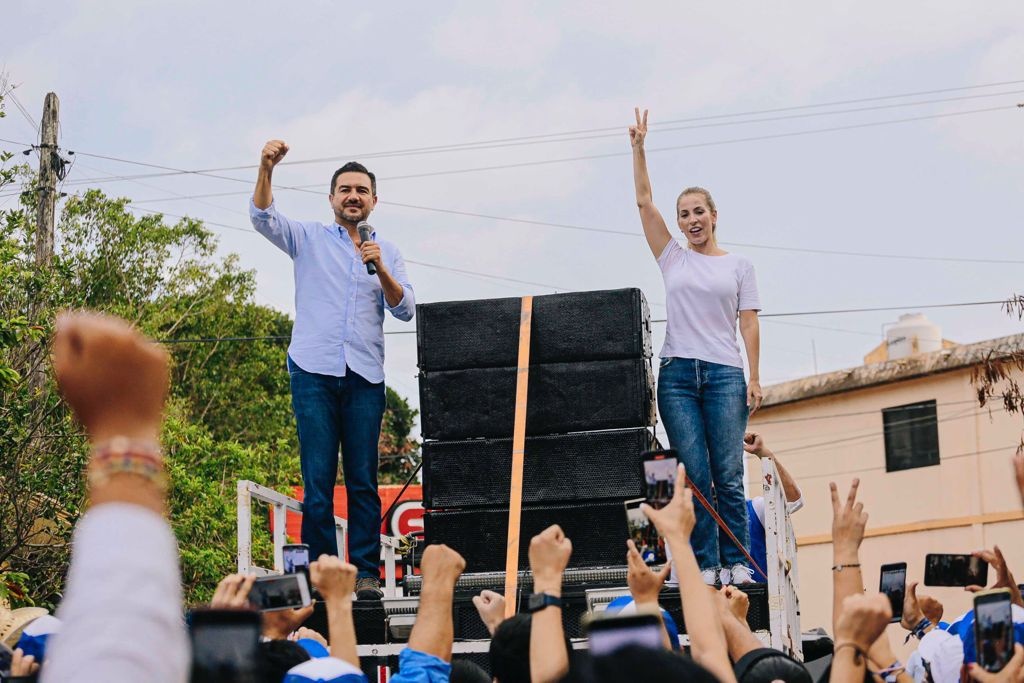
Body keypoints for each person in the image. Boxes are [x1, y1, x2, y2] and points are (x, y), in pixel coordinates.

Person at [250, 140, 415, 600]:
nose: (353, 196)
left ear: (374, 200)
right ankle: (324, 573)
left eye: (362, 190)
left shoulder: (388, 251)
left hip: (364, 377)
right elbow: (263, 217)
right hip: (313, 372)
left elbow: (405, 309)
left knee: (362, 482)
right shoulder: (307, 238)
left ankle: (364, 575)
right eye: (345, 189)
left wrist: (379, 265)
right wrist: (266, 168)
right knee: (318, 482)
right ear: (332, 199)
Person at [629, 107, 762, 585]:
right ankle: (706, 563)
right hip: (679, 376)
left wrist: (755, 375)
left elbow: (748, 323)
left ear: (714, 215)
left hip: (725, 374)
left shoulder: (739, 266)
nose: (690, 220)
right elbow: (645, 204)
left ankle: (738, 561)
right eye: (684, 214)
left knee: (729, 474)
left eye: (698, 212)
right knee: (696, 474)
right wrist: (639, 149)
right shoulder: (672, 259)